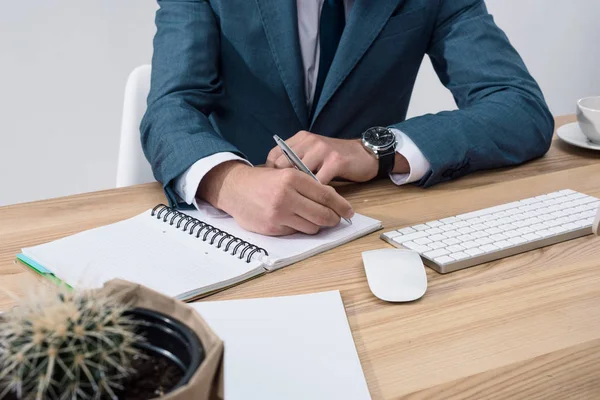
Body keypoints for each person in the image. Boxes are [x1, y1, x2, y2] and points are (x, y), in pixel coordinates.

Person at [141, 0, 554, 236]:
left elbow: (520, 106)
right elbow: (169, 106)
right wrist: (227, 181)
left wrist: (377, 149)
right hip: (236, 231)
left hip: (368, 224)